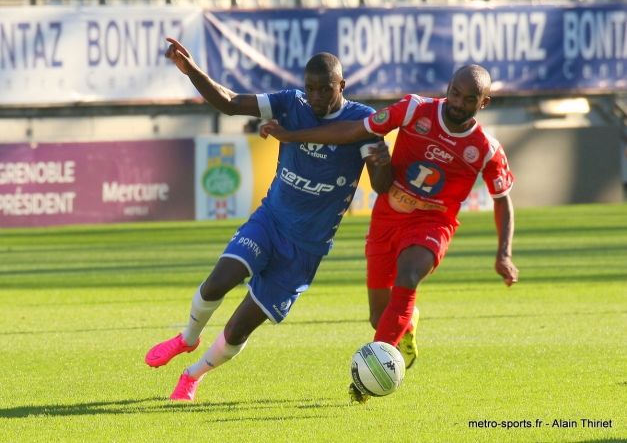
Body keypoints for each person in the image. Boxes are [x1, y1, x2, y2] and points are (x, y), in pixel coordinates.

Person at [144, 37, 392, 402]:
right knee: (216, 283)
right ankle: (186, 339)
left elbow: (382, 186)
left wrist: (378, 155)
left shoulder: (362, 121)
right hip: (271, 221)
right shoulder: (291, 103)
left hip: (306, 248)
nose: (317, 97)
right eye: (311, 89)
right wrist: (192, 71)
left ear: (342, 86)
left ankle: (191, 376)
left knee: (237, 329)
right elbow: (229, 103)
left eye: (326, 89)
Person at [260, 64, 519, 403]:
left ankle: (368, 379)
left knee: (409, 275)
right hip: (387, 220)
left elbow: (503, 201)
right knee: (378, 316)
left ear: (483, 103)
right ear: (448, 86)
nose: (458, 102)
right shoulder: (415, 109)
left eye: (469, 99)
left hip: (433, 224)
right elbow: (355, 130)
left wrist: (503, 254)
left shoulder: (485, 148)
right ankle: (406, 326)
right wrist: (292, 136)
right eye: (455, 93)